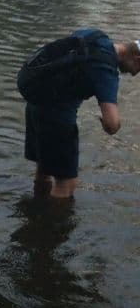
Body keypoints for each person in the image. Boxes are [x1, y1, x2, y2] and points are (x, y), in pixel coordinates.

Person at [18, 29, 140, 200]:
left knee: (44, 170)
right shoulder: (106, 69)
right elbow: (112, 124)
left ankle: (35, 211)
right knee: (66, 185)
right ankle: (51, 224)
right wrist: (111, 124)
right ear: (137, 59)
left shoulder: (95, 35)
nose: (135, 74)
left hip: (36, 103)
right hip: (58, 118)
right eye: (139, 69)